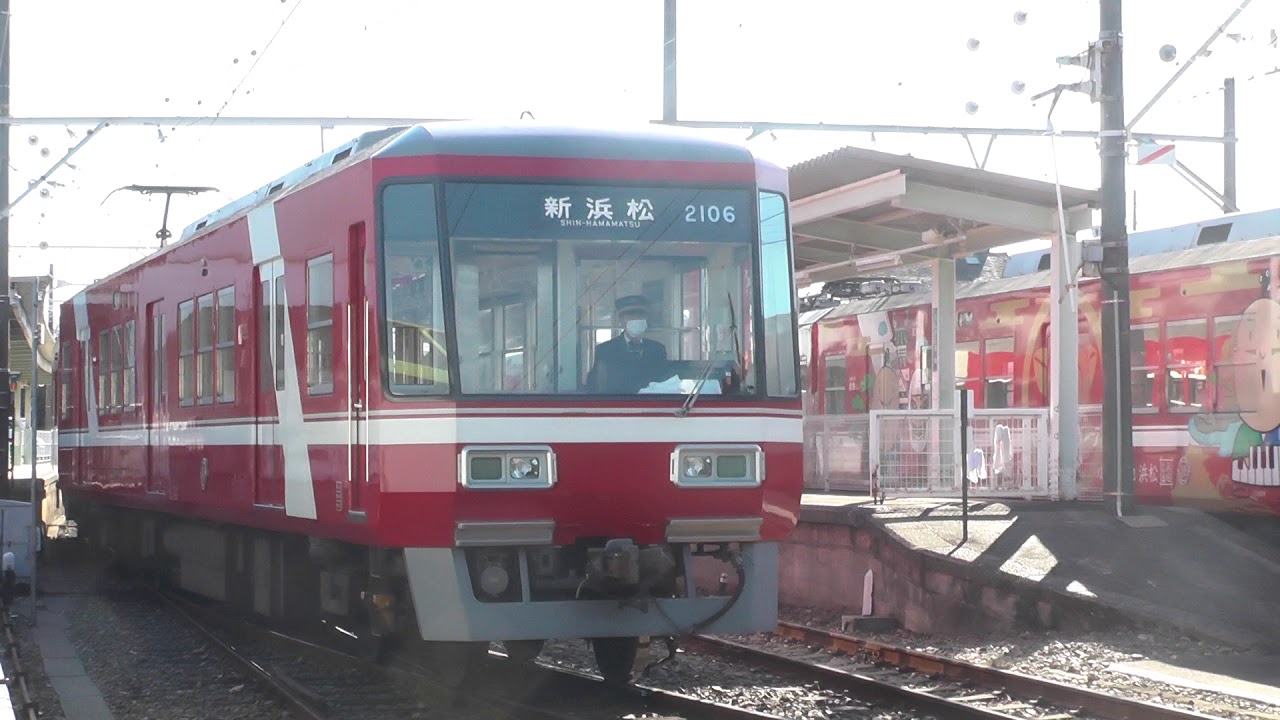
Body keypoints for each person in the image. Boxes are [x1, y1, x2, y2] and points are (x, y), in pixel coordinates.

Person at [585, 295, 669, 393]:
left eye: (640, 315)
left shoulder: (657, 349)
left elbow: (665, 383)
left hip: (649, 405)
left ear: (646, 319)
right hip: (616, 405)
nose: (636, 319)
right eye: (630, 316)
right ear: (621, 320)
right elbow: (595, 386)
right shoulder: (605, 350)